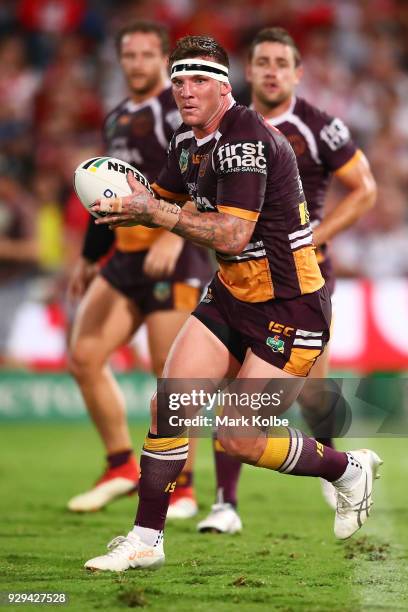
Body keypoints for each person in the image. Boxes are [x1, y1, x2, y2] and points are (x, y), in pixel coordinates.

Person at [84, 35, 382, 573]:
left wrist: (157, 216)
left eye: (198, 79)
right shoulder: (186, 140)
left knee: (238, 437)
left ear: (224, 85)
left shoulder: (244, 138)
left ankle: (346, 468)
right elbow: (163, 200)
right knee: (169, 404)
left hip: (289, 306)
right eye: (178, 80)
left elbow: (230, 235)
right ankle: (146, 538)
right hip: (232, 295)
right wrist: (123, 204)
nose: (185, 90)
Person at [196, 27, 378, 534]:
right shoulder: (219, 130)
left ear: (298, 73)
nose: (272, 70)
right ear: (247, 71)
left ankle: (336, 463)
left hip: (303, 277)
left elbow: (364, 189)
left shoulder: (320, 127)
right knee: (232, 387)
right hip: (240, 275)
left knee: (312, 393)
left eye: (282, 62)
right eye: (263, 61)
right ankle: (224, 503)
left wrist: (321, 233)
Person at [67, 22, 212, 514]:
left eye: (147, 55)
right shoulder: (116, 118)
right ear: (119, 60)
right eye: (128, 54)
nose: (137, 63)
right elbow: (106, 190)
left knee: (171, 375)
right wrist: (89, 258)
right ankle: (120, 465)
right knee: (84, 356)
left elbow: (200, 178)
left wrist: (175, 233)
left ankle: (184, 486)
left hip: (174, 254)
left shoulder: (176, 114)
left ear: (162, 61)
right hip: (124, 256)